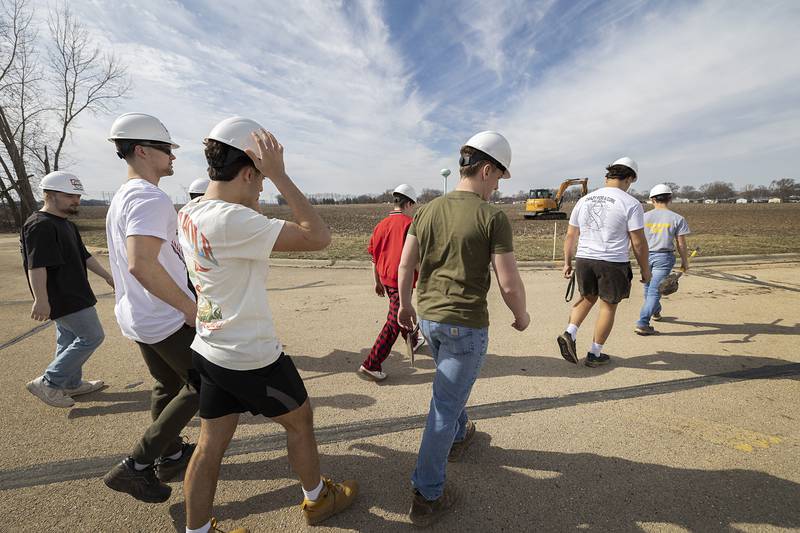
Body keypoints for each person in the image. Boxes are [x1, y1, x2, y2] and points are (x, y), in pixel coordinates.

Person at [178, 117, 357, 533]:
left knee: (210, 445)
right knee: (301, 421)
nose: (262, 190)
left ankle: (198, 531)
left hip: (210, 346)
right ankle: (317, 500)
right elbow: (318, 237)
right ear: (246, 173)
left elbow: (245, 210)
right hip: (251, 355)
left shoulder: (190, 210)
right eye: (258, 181)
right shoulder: (232, 222)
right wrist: (280, 175)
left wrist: (259, 177)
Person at [397, 131, 529, 527]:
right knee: (443, 406)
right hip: (465, 325)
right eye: (498, 179)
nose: (496, 188)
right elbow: (507, 281)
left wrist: (405, 306)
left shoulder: (427, 211)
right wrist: (521, 315)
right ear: (487, 169)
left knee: (448, 392)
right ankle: (427, 493)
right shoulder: (491, 217)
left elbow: (406, 265)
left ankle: (458, 436)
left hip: (431, 319)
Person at [102, 112, 200, 503]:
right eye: (166, 149)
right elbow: (141, 263)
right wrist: (190, 310)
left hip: (140, 314)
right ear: (142, 150)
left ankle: (172, 454)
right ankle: (137, 465)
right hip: (166, 315)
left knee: (168, 385)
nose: (173, 157)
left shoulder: (124, 196)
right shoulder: (148, 196)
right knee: (205, 386)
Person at [21, 171, 112, 408]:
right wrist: (41, 299)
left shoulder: (65, 224)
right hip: (63, 297)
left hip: (76, 293)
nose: (76, 201)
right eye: (70, 195)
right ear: (49, 194)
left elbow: (84, 255)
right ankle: (49, 382)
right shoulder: (40, 225)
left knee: (68, 339)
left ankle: (71, 383)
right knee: (92, 336)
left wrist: (107, 276)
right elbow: (37, 265)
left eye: (78, 196)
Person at [557, 157, 651, 367]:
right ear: (629, 178)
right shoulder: (631, 203)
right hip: (612, 261)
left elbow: (571, 235)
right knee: (608, 307)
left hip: (584, 259)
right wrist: (646, 270)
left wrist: (567, 262)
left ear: (607, 176)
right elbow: (638, 242)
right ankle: (595, 354)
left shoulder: (584, 200)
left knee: (587, 298)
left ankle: (569, 332)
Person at [358, 183, 423, 382]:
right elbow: (417, 258)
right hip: (400, 281)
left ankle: (413, 339)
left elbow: (374, 258)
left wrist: (376, 281)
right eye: (414, 206)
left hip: (386, 280)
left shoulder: (380, 225)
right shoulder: (410, 225)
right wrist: (424, 279)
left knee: (399, 311)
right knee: (395, 321)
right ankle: (371, 363)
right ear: (409, 203)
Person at [634, 184, 690, 335]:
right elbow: (681, 243)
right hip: (664, 258)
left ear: (652, 199)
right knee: (654, 292)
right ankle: (643, 323)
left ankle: (656, 310)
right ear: (670, 198)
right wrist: (685, 261)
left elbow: (635, 239)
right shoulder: (678, 219)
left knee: (649, 288)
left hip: (644, 257)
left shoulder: (643, 217)